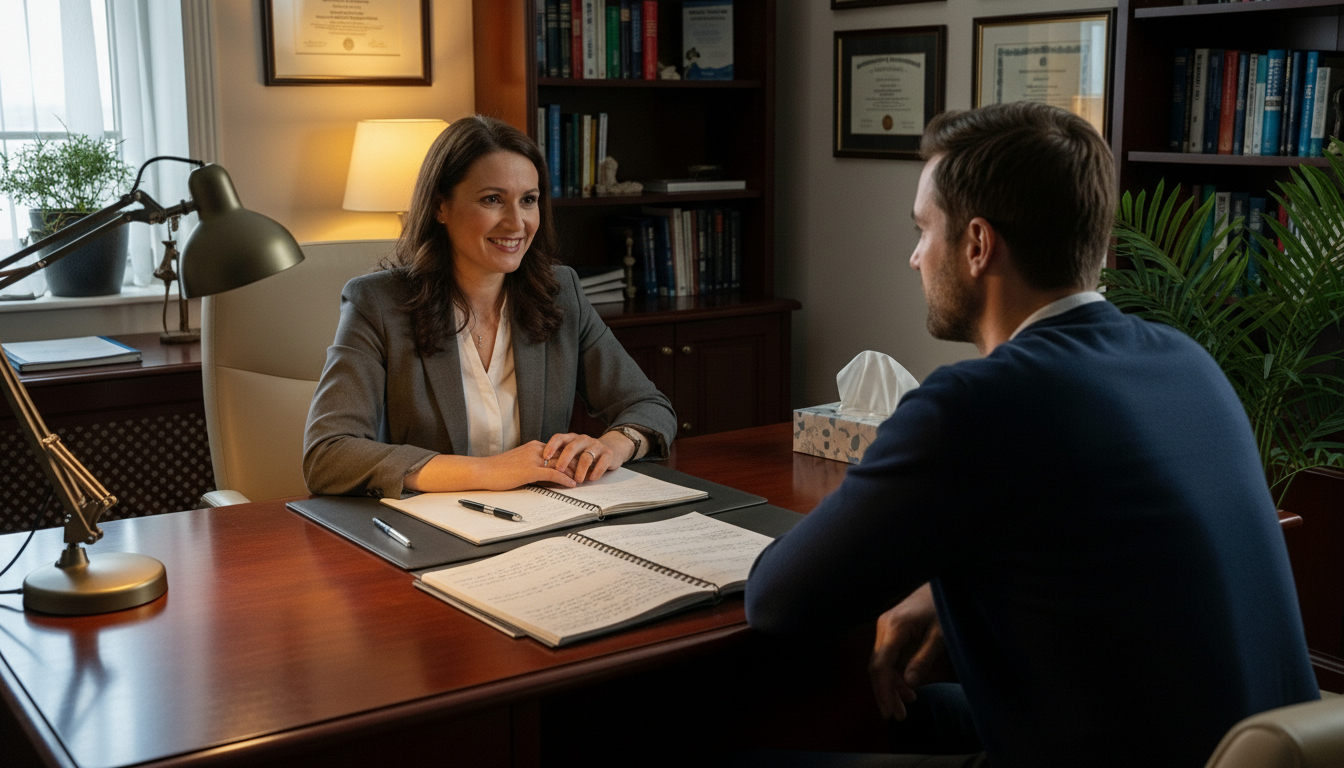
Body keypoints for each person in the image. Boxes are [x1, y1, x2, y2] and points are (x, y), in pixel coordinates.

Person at [744, 102, 1318, 767]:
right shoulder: (1184, 359)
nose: (914, 257)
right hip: (1229, 750)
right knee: (910, 712)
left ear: (978, 244)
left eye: (924, 231)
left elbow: (778, 601)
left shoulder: (976, 404)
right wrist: (937, 591)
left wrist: (934, 570)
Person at [304, 115, 676, 498]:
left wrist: (613, 445)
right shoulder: (378, 304)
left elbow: (648, 405)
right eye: (493, 200)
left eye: (528, 201)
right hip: (429, 530)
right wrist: (486, 472)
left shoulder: (560, 292)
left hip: (543, 521)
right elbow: (328, 454)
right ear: (440, 207)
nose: (517, 223)